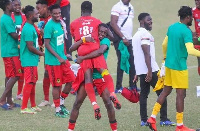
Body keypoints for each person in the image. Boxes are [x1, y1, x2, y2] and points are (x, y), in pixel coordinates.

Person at [147, 6, 199, 131]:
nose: (192, 18)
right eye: (191, 16)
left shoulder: (172, 27)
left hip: (169, 65)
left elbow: (164, 44)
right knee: (180, 95)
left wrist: (165, 57)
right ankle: (180, 127)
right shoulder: (186, 31)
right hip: (179, 67)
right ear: (187, 17)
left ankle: (152, 118)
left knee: (165, 91)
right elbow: (190, 50)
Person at [70, 1, 115, 120]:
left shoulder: (74, 23)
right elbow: (110, 35)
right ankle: (113, 93)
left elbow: (75, 43)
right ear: (91, 11)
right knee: (108, 102)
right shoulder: (97, 22)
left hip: (83, 58)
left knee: (77, 102)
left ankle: (94, 105)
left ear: (81, 11)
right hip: (96, 57)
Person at [68, 23, 118, 131]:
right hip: (89, 74)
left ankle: (114, 128)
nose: (102, 34)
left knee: (108, 104)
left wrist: (82, 57)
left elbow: (99, 52)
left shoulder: (105, 41)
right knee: (77, 103)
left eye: (105, 32)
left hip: (98, 75)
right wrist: (83, 41)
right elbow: (72, 48)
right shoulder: (90, 39)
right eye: (100, 32)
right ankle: (70, 129)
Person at [132, 13, 175, 127]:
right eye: (148, 20)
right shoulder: (145, 34)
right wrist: (150, 71)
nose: (151, 22)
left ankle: (143, 120)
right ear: (142, 21)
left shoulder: (135, 35)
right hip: (150, 70)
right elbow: (146, 53)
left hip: (142, 70)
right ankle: (164, 119)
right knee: (162, 93)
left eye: (151, 20)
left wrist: (137, 72)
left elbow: (136, 55)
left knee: (144, 95)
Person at [44, 4, 75, 118]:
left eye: (59, 13)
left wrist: (64, 54)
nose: (57, 15)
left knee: (71, 79)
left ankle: (61, 102)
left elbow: (60, 41)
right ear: (50, 13)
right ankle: (57, 109)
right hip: (54, 62)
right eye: (55, 13)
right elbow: (47, 44)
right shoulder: (49, 26)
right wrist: (58, 57)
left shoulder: (61, 23)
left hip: (63, 58)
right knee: (57, 85)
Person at [20, 5, 44, 114]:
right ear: (30, 16)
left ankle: (33, 105)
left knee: (33, 82)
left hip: (33, 59)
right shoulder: (28, 28)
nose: (38, 15)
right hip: (28, 59)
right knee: (29, 82)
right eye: (36, 14)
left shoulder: (32, 26)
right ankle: (24, 108)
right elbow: (30, 46)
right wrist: (42, 54)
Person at [110, 0, 136, 93]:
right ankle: (118, 87)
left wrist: (128, 38)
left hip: (129, 39)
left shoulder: (131, 7)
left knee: (132, 61)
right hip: (121, 39)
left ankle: (133, 86)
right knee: (122, 60)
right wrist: (123, 37)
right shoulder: (117, 7)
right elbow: (113, 23)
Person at [0, 0, 22, 110]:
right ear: (8, 6)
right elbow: (14, 35)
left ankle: (9, 101)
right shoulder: (7, 19)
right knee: (16, 75)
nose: (14, 6)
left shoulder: (7, 18)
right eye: (12, 4)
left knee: (9, 76)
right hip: (11, 52)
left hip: (8, 51)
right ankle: (2, 99)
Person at [36, 0, 52, 107]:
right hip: (47, 52)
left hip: (55, 52)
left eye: (38, 8)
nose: (37, 11)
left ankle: (59, 99)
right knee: (47, 73)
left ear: (45, 8)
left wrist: (43, 32)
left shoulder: (52, 19)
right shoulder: (42, 19)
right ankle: (46, 99)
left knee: (55, 74)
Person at [11, 0, 26, 100]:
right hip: (13, 49)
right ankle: (9, 95)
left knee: (23, 71)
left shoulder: (24, 16)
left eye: (19, 5)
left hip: (23, 49)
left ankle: (19, 93)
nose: (17, 7)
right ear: (11, 6)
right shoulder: (9, 18)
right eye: (15, 5)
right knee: (13, 73)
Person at [193, 0, 200, 76]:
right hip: (198, 42)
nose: (196, 2)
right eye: (195, 0)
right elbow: (185, 21)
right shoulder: (193, 11)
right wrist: (191, 32)